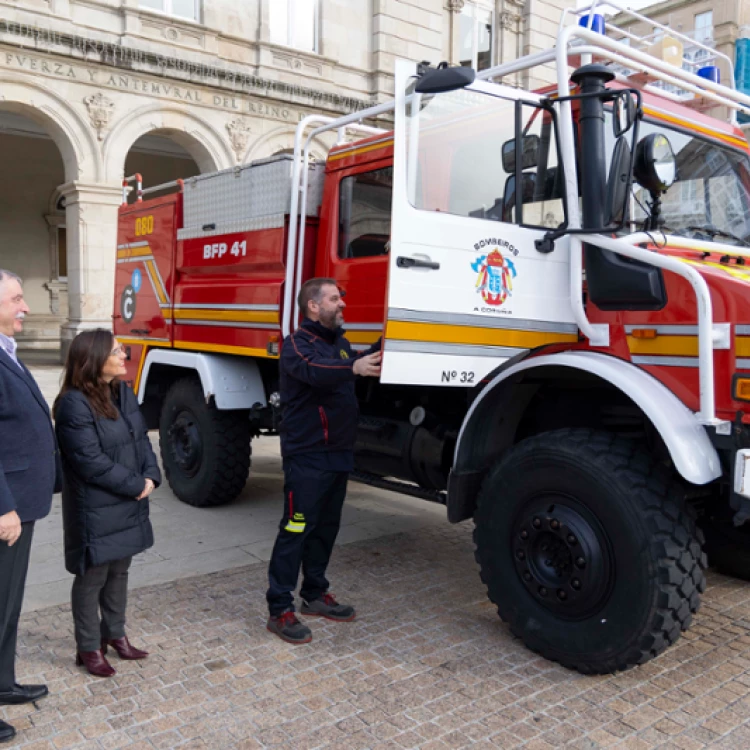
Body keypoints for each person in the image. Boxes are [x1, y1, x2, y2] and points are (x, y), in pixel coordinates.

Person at [266, 277, 381, 644]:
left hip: (338, 456)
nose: (342, 304)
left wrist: (388, 343)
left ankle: (314, 595)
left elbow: (355, 361)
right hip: (307, 458)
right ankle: (280, 609)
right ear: (313, 306)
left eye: (340, 298)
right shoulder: (296, 345)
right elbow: (317, 372)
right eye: (334, 299)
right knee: (297, 527)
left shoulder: (341, 345)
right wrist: (353, 369)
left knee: (326, 528)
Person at [53, 329, 161, 678]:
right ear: (95, 360)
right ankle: (88, 647)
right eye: (117, 351)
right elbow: (89, 461)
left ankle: (115, 634)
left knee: (119, 571)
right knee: (92, 576)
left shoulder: (122, 391)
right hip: (96, 506)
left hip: (128, 498)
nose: (124, 355)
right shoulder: (73, 403)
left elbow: (142, 438)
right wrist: (135, 485)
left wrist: (151, 475)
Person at [0, 269, 60, 744]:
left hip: (22, 503)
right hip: (7, 509)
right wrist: (3, 506)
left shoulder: (7, 352)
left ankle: (3, 682)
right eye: (17, 299)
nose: (25, 307)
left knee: (9, 604)